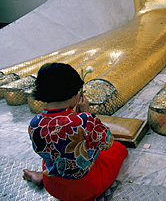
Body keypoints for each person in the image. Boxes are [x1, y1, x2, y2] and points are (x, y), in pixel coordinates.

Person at [22, 62, 128, 201]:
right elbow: (106, 142)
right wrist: (87, 114)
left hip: (53, 187)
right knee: (118, 149)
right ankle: (43, 176)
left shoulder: (34, 123)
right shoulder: (82, 120)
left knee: (56, 151)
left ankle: (43, 176)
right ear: (73, 92)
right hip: (86, 190)